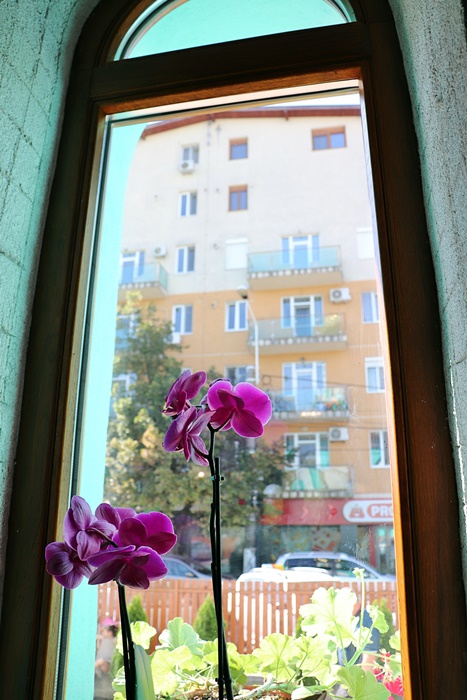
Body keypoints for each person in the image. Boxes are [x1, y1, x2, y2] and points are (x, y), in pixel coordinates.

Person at [334, 599, 381, 698]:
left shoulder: (366, 623)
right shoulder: (348, 620)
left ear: (357, 604)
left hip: (357, 683)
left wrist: (361, 691)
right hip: (347, 680)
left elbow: (369, 659)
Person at [94, 618, 118, 700]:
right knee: (100, 661)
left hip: (107, 662)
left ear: (110, 632)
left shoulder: (113, 640)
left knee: (101, 661)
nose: (102, 632)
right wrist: (99, 629)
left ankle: (92, 669)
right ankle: (95, 670)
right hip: (100, 661)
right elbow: (96, 637)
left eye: (104, 631)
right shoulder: (103, 638)